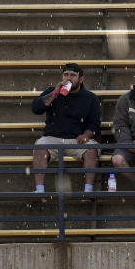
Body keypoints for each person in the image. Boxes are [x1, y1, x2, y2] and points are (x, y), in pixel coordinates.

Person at [31, 62, 102, 193]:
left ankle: (88, 190)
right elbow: (36, 108)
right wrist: (54, 93)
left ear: (81, 79)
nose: (68, 78)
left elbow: (95, 123)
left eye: (73, 75)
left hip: (77, 139)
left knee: (92, 150)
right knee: (40, 147)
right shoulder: (52, 92)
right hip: (52, 137)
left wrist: (86, 135)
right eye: (66, 75)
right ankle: (39, 189)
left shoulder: (90, 98)